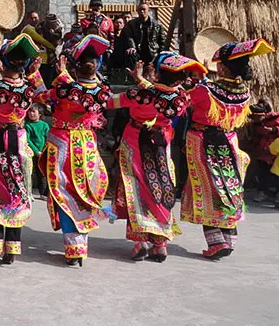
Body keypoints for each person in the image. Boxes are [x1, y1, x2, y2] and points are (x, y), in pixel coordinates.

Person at [181, 39, 275, 260]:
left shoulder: (206, 89)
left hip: (202, 140)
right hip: (229, 141)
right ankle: (230, 238)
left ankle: (216, 242)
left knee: (206, 187)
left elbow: (184, 101)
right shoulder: (244, 92)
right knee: (228, 187)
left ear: (222, 67)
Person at [109, 53, 205, 262]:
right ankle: (160, 244)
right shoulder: (181, 98)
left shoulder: (138, 94)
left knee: (136, 187)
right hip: (161, 143)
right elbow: (163, 92)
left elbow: (110, 102)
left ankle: (140, 241)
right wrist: (144, 80)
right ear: (179, 79)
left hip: (135, 141)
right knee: (160, 187)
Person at [0, 34, 45, 266]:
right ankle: (12, 249)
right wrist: (34, 73)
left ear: (1, 63)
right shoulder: (29, 90)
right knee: (17, 191)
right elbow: (44, 94)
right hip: (18, 140)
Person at [37, 35, 112, 267]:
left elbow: (41, 95)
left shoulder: (63, 89)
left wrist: (36, 73)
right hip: (86, 143)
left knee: (64, 192)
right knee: (85, 191)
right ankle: (81, 245)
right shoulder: (102, 92)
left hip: (61, 144)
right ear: (97, 66)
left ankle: (73, 246)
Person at [244, 101, 279, 203]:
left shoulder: (275, 119)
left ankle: (269, 193)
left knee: (272, 176)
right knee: (263, 174)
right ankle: (264, 192)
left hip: (272, 151)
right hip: (262, 151)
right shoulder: (257, 123)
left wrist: (273, 130)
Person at [22, 14, 61, 87]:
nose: (34, 20)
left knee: (49, 82)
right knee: (39, 82)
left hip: (51, 59)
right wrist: (51, 46)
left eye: (36, 18)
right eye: (32, 18)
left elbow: (58, 39)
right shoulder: (31, 28)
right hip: (40, 60)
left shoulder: (57, 29)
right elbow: (41, 40)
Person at [24, 104, 50, 197]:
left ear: (40, 114)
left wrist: (44, 150)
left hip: (44, 152)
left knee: (44, 172)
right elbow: (28, 140)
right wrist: (36, 151)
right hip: (32, 153)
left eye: (33, 111)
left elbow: (48, 138)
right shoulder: (27, 125)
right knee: (33, 172)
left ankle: (45, 193)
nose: (31, 114)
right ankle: (38, 192)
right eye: (29, 111)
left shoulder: (44, 125)